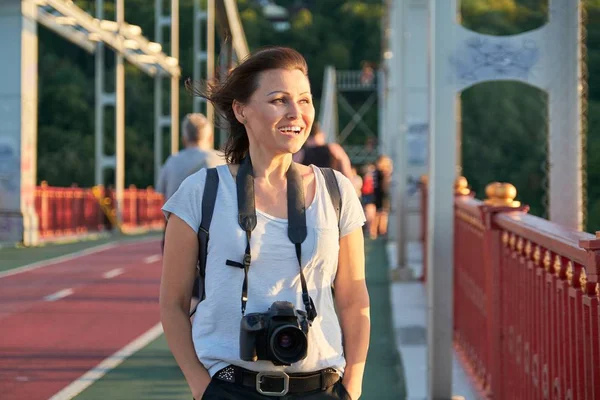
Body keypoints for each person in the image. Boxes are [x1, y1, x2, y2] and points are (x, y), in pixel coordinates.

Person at [159, 47, 370, 400]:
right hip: (230, 387)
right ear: (241, 110)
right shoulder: (201, 192)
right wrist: (201, 387)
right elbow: (173, 303)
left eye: (304, 100)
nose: (296, 113)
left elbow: (353, 297)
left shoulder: (337, 191)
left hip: (321, 386)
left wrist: (354, 384)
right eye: (279, 100)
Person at [156, 113, 225, 202]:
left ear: (184, 139)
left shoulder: (171, 162)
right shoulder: (223, 161)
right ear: (211, 138)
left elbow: (160, 192)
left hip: (177, 215)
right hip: (214, 215)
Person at [370, 156, 393, 239]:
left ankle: (374, 231)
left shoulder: (376, 171)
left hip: (377, 194)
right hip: (382, 194)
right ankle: (381, 231)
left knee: (378, 213)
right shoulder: (383, 172)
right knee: (383, 213)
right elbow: (385, 185)